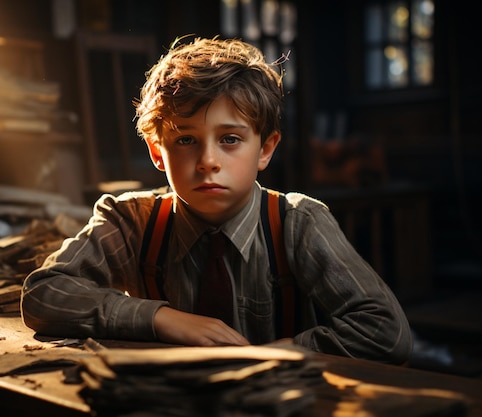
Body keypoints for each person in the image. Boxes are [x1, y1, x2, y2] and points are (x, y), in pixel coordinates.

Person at [21, 36, 412, 364]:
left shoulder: (297, 222)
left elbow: (386, 332)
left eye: (230, 139)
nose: (208, 162)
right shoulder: (131, 221)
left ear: (265, 150)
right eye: (186, 140)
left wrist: (278, 354)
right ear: (158, 152)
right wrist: (162, 319)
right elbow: (44, 294)